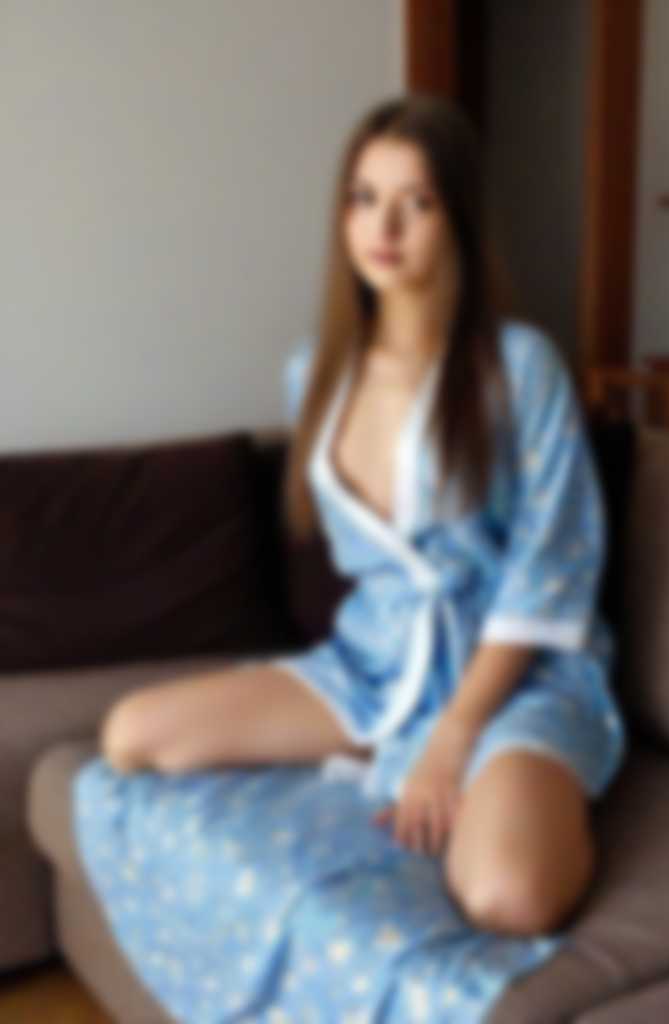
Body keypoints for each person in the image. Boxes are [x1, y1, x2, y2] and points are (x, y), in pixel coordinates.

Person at [99, 93, 627, 939]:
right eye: (364, 197)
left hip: (514, 677)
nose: (384, 226)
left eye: (417, 202)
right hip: (377, 663)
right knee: (130, 734)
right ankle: (387, 744)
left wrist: (456, 735)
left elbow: (551, 567)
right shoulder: (314, 371)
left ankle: (529, 784)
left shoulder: (519, 366)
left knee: (508, 897)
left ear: (458, 220)